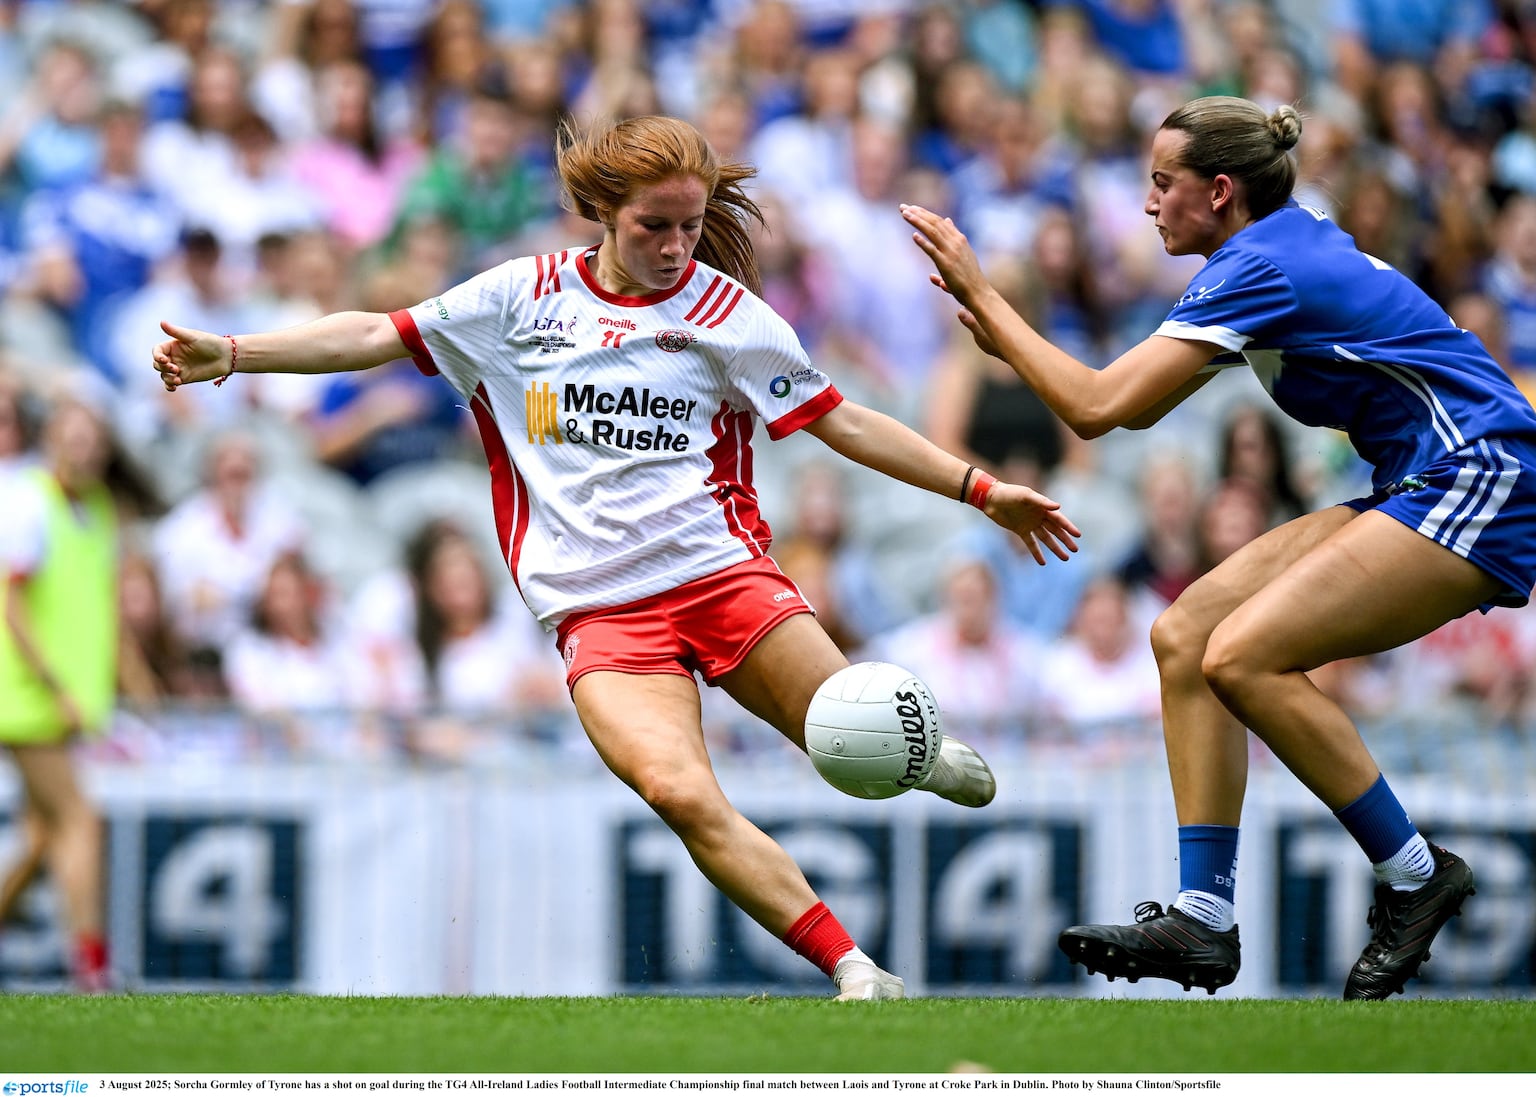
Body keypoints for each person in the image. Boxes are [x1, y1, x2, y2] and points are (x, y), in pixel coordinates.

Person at [151, 113, 1081, 1000]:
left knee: (844, 743)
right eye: (655, 227)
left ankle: (920, 756)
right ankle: (854, 967)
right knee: (678, 790)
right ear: (603, 212)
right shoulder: (518, 298)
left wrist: (981, 488)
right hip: (599, 610)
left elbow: (846, 422)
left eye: (690, 225)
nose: (677, 246)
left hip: (721, 576)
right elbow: (372, 332)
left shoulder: (730, 314)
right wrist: (234, 351)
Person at [903, 95, 1536, 1000]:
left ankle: (1415, 872)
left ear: (1223, 191)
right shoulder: (1276, 244)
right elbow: (1129, 403)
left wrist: (985, 298)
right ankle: (1204, 919)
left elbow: (1095, 406)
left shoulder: (1259, 265)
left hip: (1484, 475)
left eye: (1163, 184)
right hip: (1429, 477)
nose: (1150, 203)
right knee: (1187, 637)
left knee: (1242, 656)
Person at [0, 393, 119, 991]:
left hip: (52, 700)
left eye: (92, 439)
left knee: (43, 837)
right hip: (25, 697)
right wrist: (56, 685)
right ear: (51, 441)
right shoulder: (28, 502)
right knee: (78, 818)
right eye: (74, 438)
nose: (85, 449)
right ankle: (92, 967)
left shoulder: (93, 510)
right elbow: (12, 601)